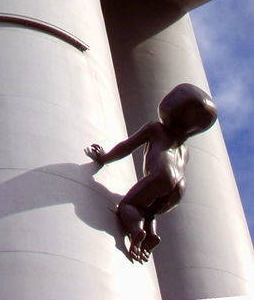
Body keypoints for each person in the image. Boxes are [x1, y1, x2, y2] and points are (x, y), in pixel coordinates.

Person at [85, 82, 218, 263]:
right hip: (179, 187)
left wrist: (104, 158)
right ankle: (151, 234)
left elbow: (127, 147)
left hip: (163, 176)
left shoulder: (155, 129)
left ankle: (136, 231)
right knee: (149, 210)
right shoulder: (184, 151)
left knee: (129, 205)